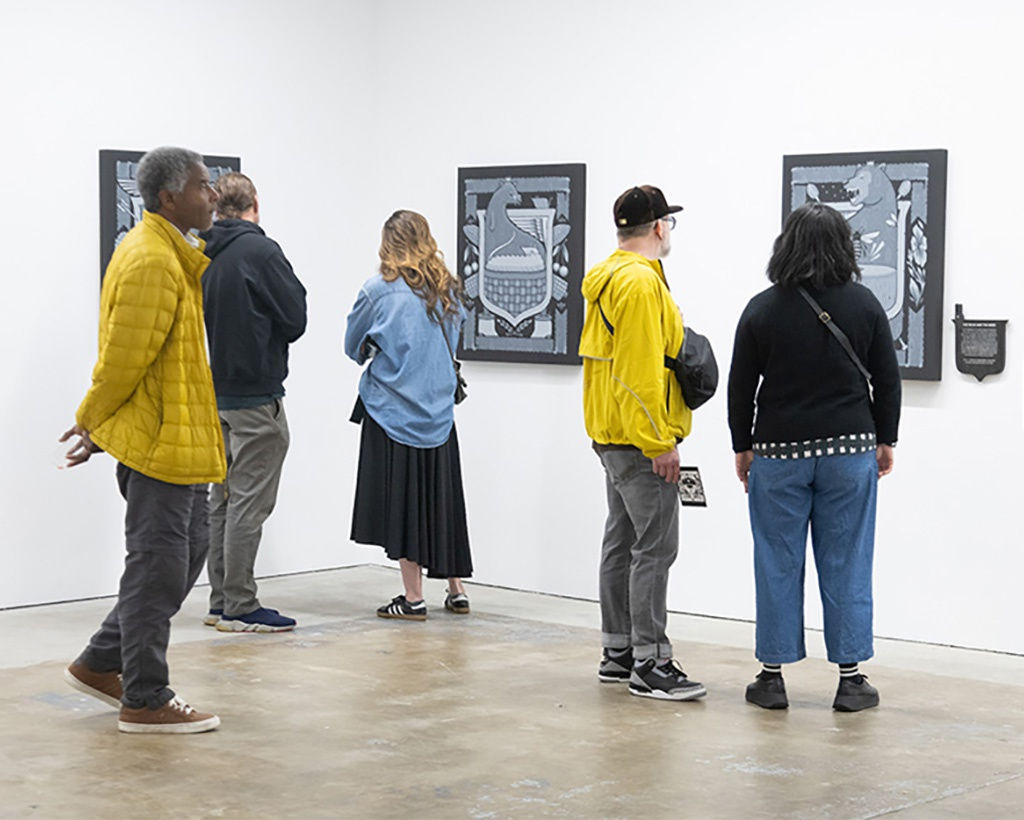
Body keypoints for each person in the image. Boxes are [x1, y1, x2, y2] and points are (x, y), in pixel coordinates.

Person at [59, 146, 226, 733]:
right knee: (156, 569)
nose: (213, 196)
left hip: (177, 441)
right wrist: (90, 422)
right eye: (204, 186)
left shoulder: (169, 253)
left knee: (185, 556)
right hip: (160, 447)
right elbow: (122, 361)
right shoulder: (153, 259)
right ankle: (145, 697)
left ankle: (103, 660)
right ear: (168, 197)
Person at [727, 202, 901, 712]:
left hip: (778, 453)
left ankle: (772, 676)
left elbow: (741, 387)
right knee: (847, 560)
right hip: (850, 450)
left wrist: (743, 446)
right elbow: (887, 380)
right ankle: (850, 679)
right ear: (844, 246)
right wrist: (885, 439)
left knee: (776, 560)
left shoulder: (762, 308)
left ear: (787, 245)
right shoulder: (866, 305)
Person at [578, 185, 706, 701]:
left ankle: (619, 650)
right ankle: (652, 661)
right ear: (658, 227)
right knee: (654, 548)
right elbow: (639, 374)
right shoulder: (639, 285)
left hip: (611, 435)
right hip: (638, 441)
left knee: (622, 542)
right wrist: (659, 443)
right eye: (668, 223)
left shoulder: (609, 279)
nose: (669, 231)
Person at [344, 210, 473, 620]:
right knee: (442, 498)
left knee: (403, 502)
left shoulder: (377, 291)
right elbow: (454, 341)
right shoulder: (448, 289)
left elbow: (353, 346)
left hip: (393, 411)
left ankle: (413, 598)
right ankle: (456, 590)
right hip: (438, 411)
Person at [200, 172, 307, 633]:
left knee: (221, 498)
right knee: (248, 501)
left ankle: (221, 599)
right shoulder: (260, 251)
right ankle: (240, 605)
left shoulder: (201, 252)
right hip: (256, 394)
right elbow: (295, 317)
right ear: (254, 205)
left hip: (213, 391)